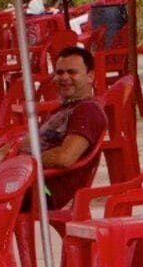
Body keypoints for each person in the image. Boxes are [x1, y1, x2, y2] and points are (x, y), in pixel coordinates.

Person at [36, 45, 114, 210]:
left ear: (90, 76)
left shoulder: (88, 111)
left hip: (44, 190)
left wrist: (24, 160)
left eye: (72, 72)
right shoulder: (62, 109)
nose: (64, 77)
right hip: (24, 179)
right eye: (59, 73)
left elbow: (65, 158)